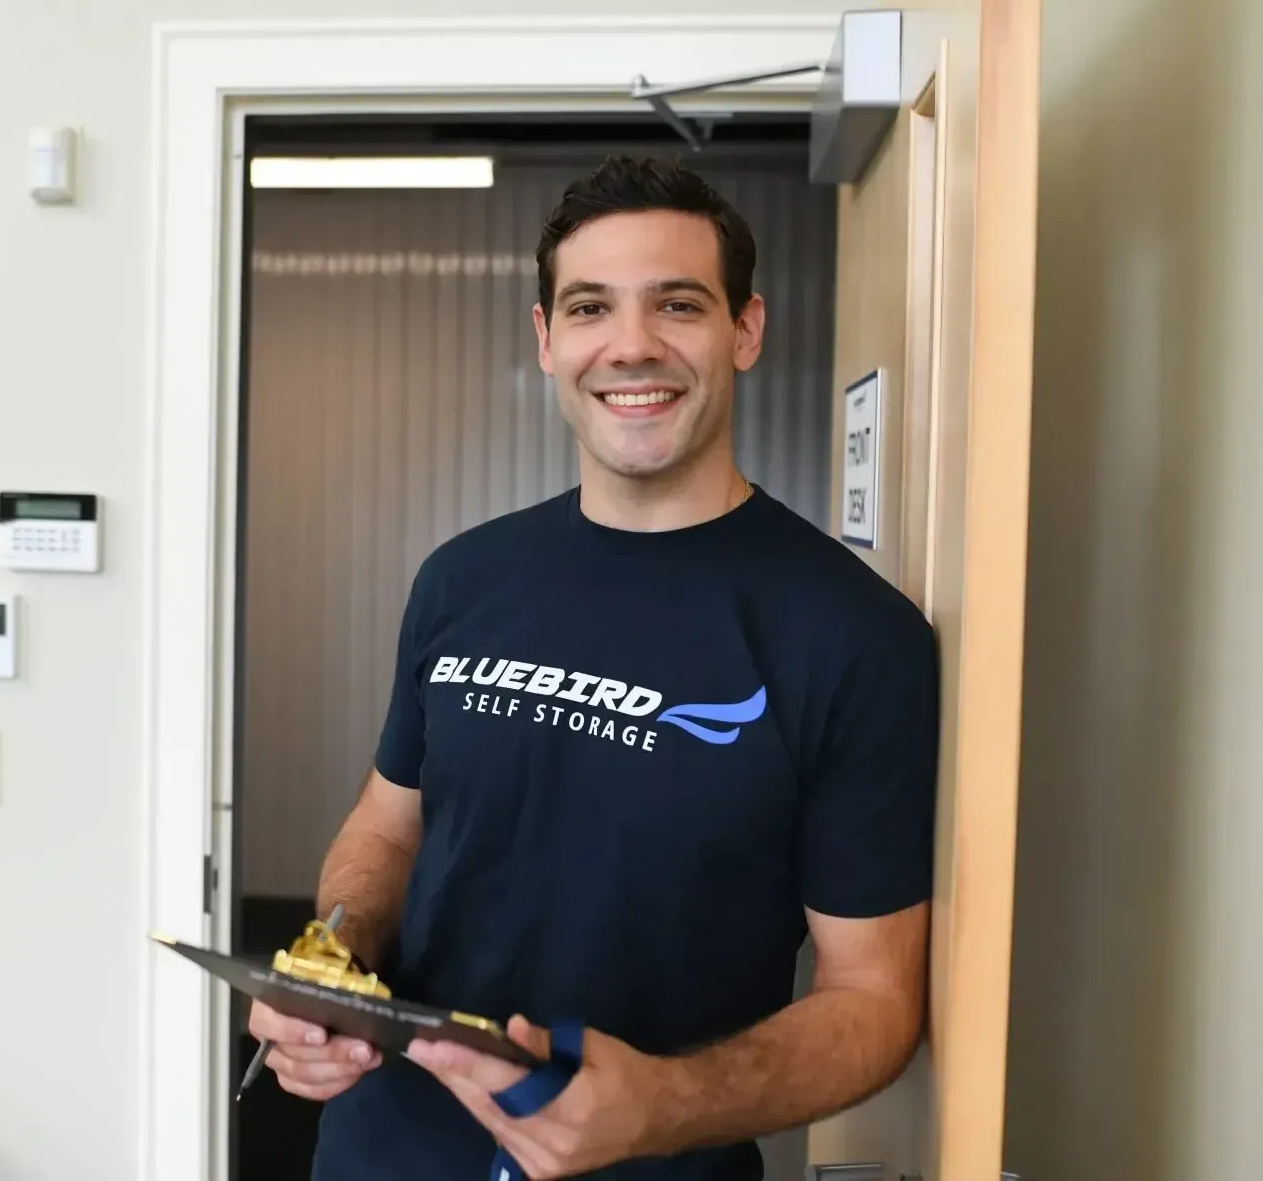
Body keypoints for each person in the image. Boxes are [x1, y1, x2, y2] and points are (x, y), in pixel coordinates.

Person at [247, 154, 939, 1180]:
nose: (631, 344)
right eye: (589, 307)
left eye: (678, 304)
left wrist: (662, 1102)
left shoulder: (855, 636)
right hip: (383, 1151)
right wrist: (330, 960)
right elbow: (388, 826)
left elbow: (874, 999)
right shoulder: (462, 578)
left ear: (746, 329)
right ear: (546, 339)